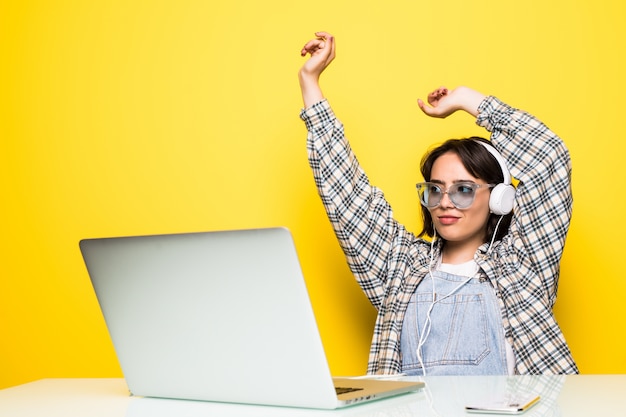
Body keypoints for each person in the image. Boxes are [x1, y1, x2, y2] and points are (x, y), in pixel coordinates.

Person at [298, 32, 578, 375]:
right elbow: (345, 193)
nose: (445, 202)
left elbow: (549, 156)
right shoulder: (399, 268)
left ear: (499, 198)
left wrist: (465, 99)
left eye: (463, 189)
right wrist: (309, 82)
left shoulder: (523, 264)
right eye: (435, 189)